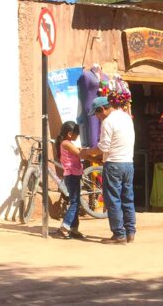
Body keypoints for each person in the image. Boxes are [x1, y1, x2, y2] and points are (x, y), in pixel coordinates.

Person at [91, 91, 136, 245]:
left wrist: (88, 152)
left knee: (113, 200)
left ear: (102, 109)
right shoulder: (126, 117)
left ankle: (119, 234)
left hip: (114, 164)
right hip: (128, 163)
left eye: (96, 114)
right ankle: (130, 232)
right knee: (127, 198)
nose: (97, 118)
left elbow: (104, 146)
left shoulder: (108, 122)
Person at [53, 121, 94, 240]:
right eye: (76, 134)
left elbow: (79, 151)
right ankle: (64, 228)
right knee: (75, 202)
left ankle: (74, 229)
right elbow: (81, 154)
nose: (78, 136)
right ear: (70, 134)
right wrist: (94, 155)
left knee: (76, 202)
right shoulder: (66, 143)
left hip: (74, 175)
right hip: (71, 175)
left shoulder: (67, 143)